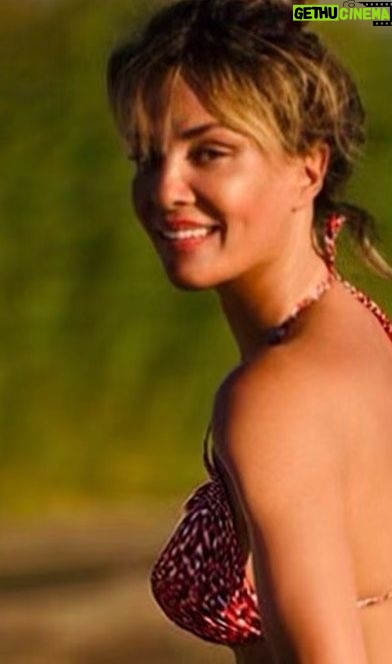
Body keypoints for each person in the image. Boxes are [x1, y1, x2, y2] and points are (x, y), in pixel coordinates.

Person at [106, 1, 392, 662]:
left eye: (209, 153)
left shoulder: (276, 397)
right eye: (147, 158)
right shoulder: (364, 332)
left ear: (308, 168)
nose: (165, 189)